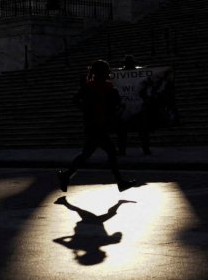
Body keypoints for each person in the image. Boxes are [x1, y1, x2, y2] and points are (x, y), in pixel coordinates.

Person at [57, 59, 143, 192]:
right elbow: (76, 100)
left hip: (98, 124)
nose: (108, 72)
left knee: (87, 154)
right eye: (106, 70)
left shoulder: (104, 86)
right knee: (110, 152)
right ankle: (120, 182)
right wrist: (88, 110)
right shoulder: (92, 86)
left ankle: (66, 175)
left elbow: (109, 104)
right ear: (101, 72)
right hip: (95, 125)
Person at [115, 55, 152, 157]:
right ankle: (145, 149)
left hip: (130, 106)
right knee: (140, 131)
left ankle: (124, 150)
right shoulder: (137, 74)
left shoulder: (136, 75)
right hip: (131, 106)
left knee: (126, 131)